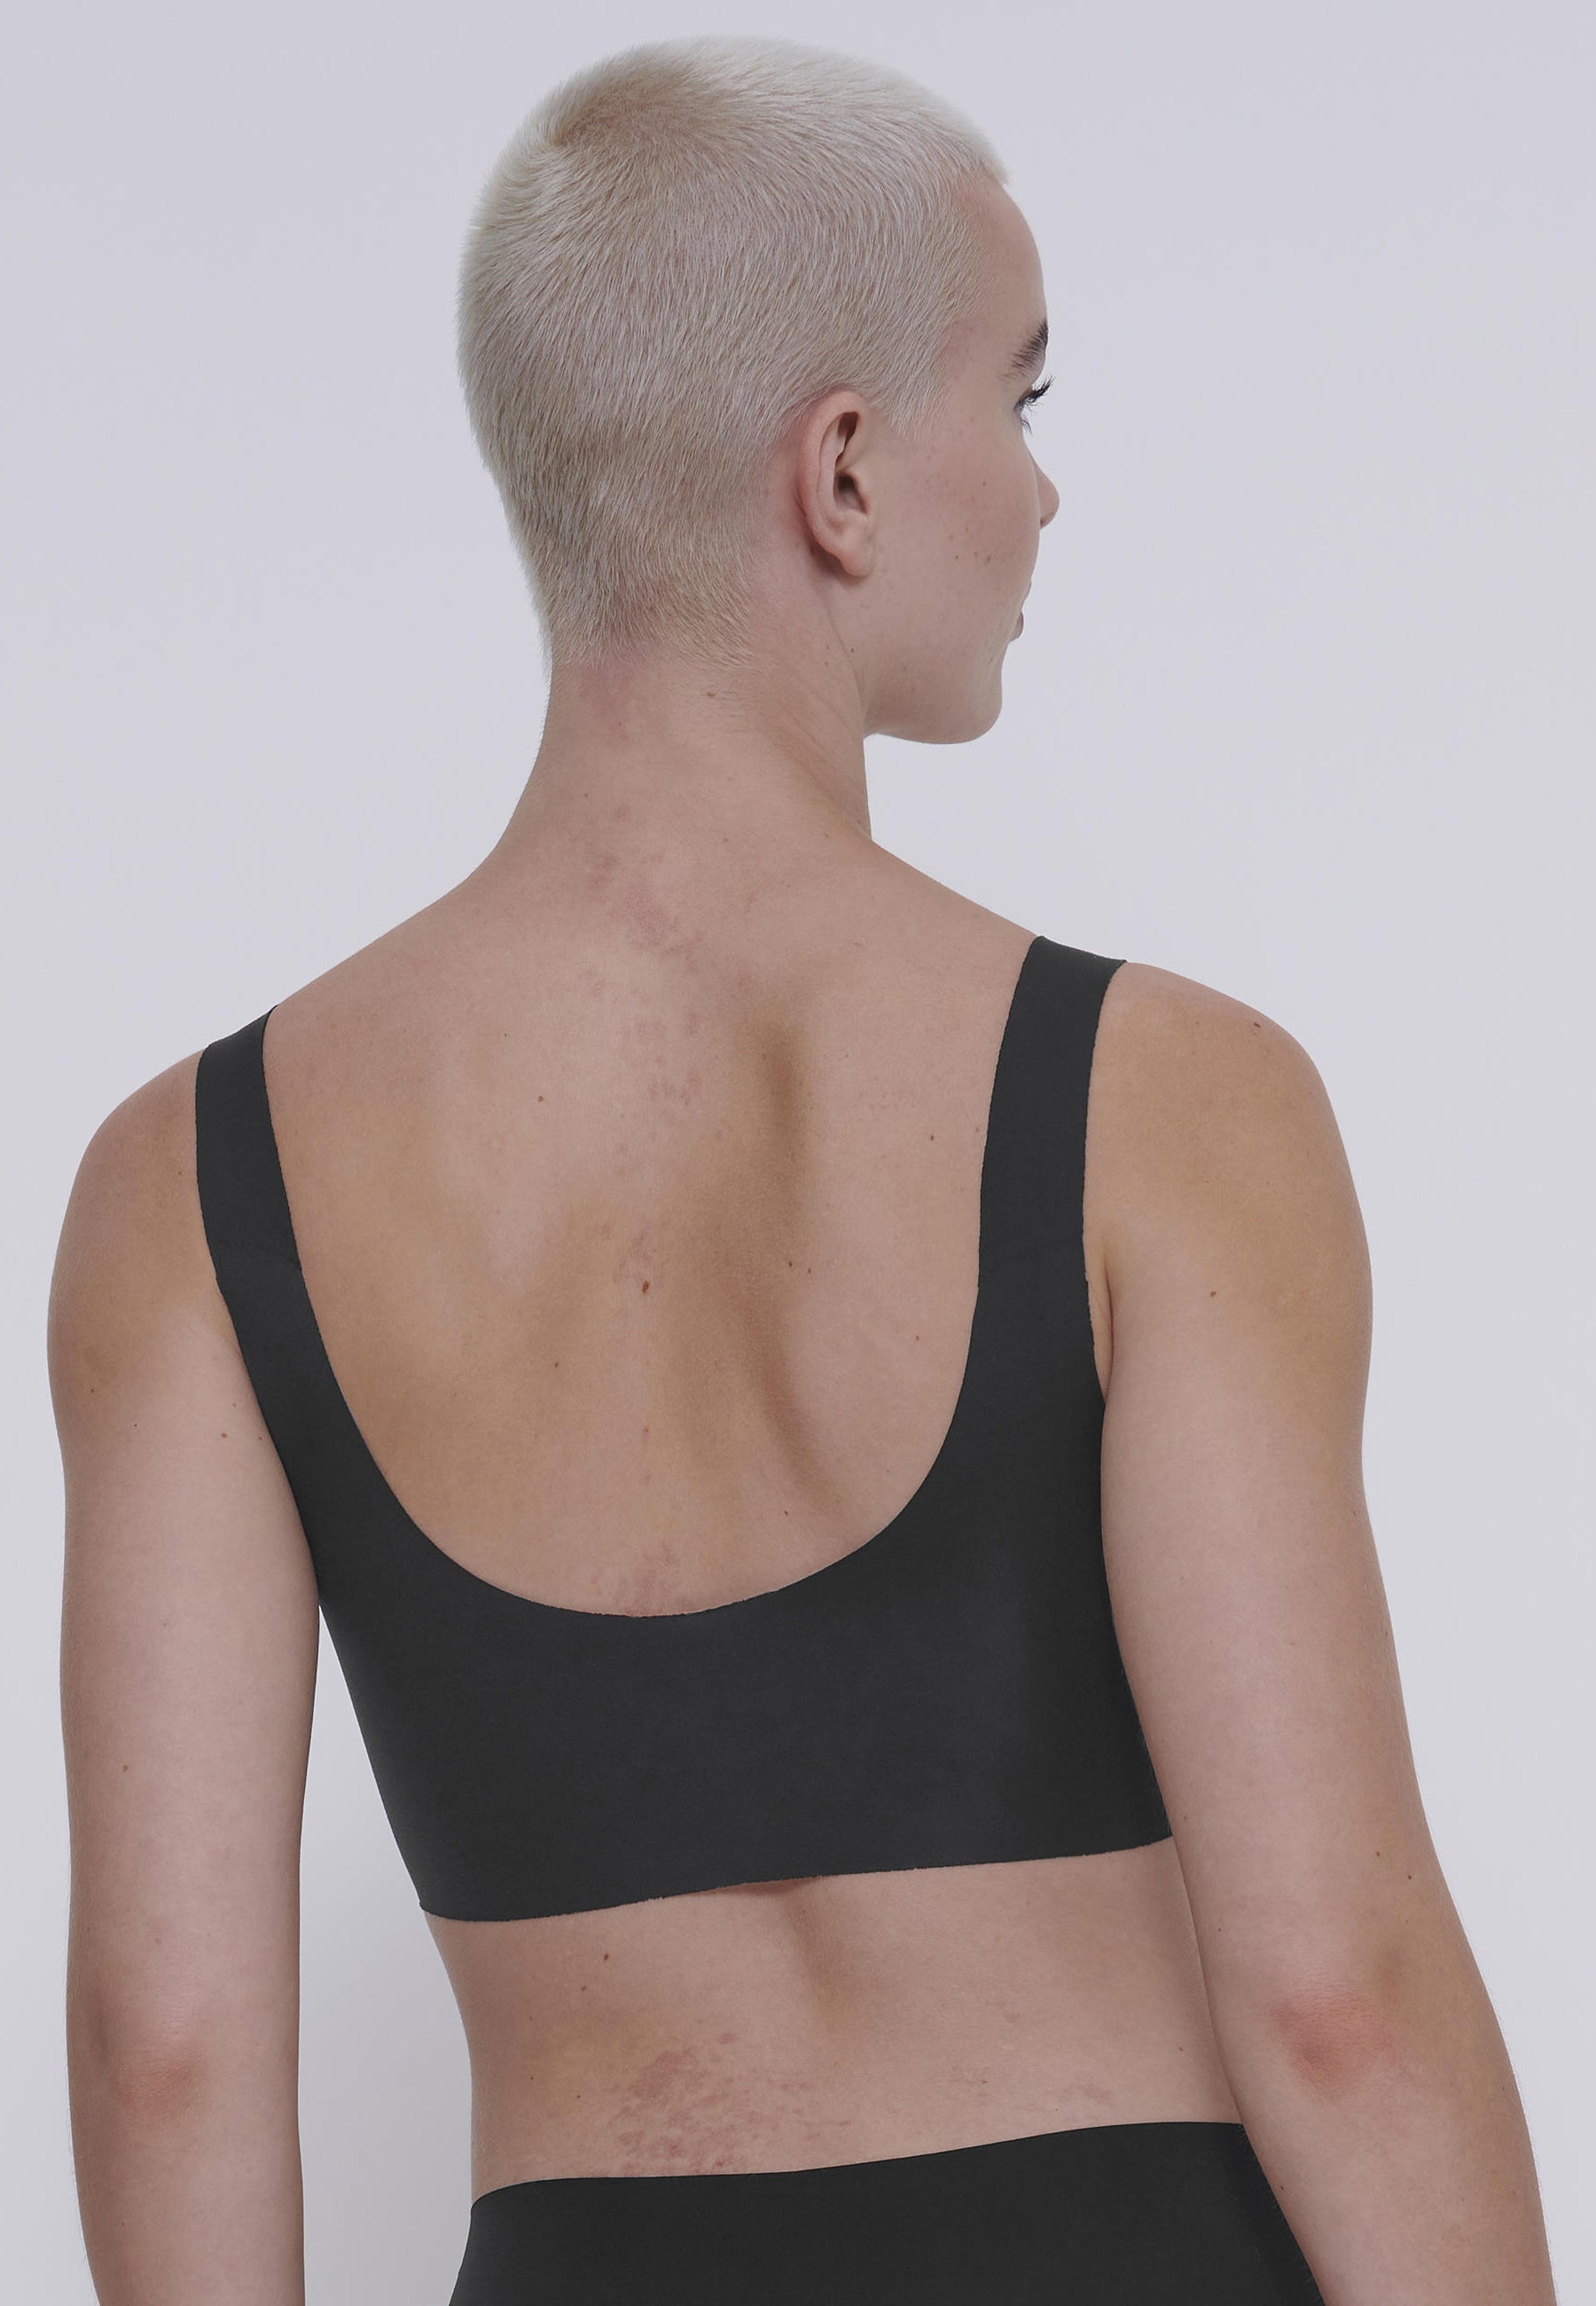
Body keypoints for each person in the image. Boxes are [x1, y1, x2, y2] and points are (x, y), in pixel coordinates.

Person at [50, 32, 1558, 2306]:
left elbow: (165, 2051)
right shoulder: (1165, 1100)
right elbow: (1339, 1991)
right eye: (1021, 399)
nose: (1043, 492)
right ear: (842, 472)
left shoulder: (187, 1184)